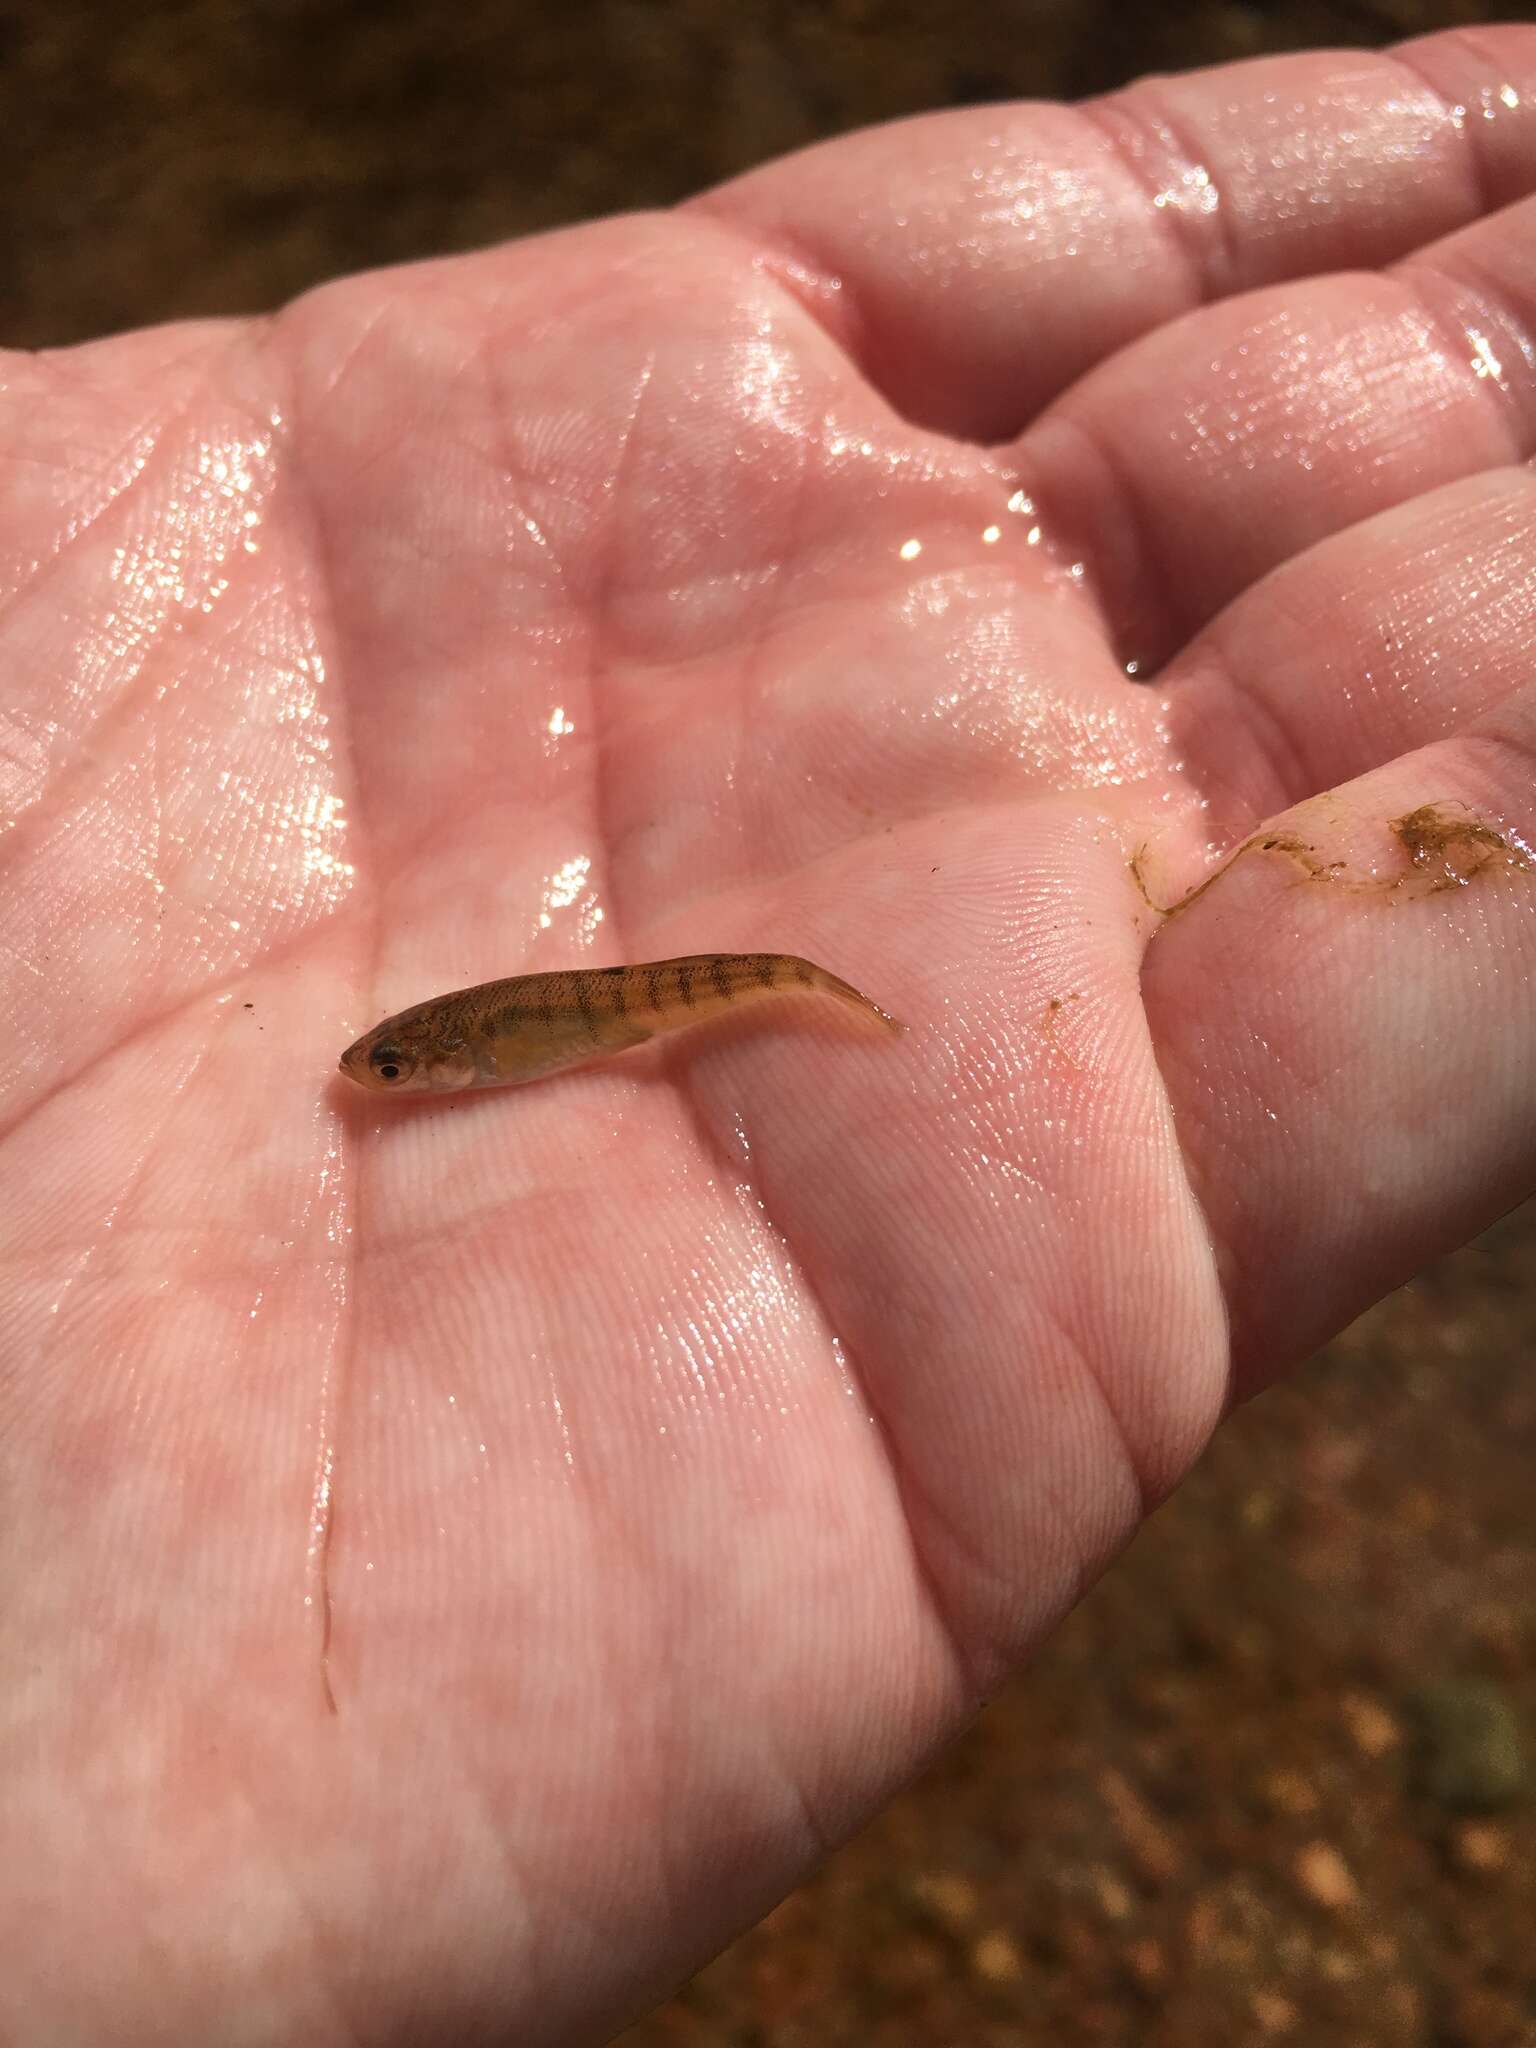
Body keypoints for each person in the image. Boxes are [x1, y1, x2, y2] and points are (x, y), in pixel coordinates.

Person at [5, 25, 1535, 2043]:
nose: (380, 1082)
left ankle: (821, 1000)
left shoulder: (486, 1030)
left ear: (439, 1058)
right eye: (392, 1072)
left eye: (394, 1068)